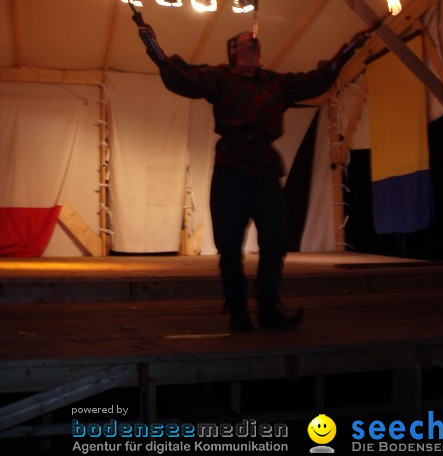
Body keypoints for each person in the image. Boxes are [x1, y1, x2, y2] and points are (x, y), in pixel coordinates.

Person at [136, 20, 368, 332]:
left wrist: (348, 49)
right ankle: (237, 312)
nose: (255, 40)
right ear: (234, 50)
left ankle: (269, 308)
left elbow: (315, 81)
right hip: (232, 166)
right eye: (247, 38)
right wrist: (154, 48)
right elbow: (183, 79)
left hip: (264, 168)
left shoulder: (274, 83)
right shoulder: (219, 77)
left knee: (275, 241)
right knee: (230, 247)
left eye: (256, 38)